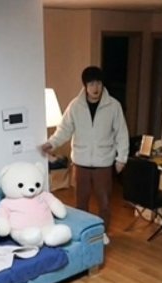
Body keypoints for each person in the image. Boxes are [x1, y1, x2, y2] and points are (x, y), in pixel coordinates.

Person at [41, 66, 129, 245]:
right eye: (91, 84)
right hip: (81, 162)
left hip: (103, 162)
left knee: (104, 202)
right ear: (85, 86)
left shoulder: (113, 106)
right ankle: (83, 233)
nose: (95, 88)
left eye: (98, 83)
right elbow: (64, 129)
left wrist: (121, 158)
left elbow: (121, 133)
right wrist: (52, 143)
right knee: (81, 201)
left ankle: (102, 233)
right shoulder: (75, 105)